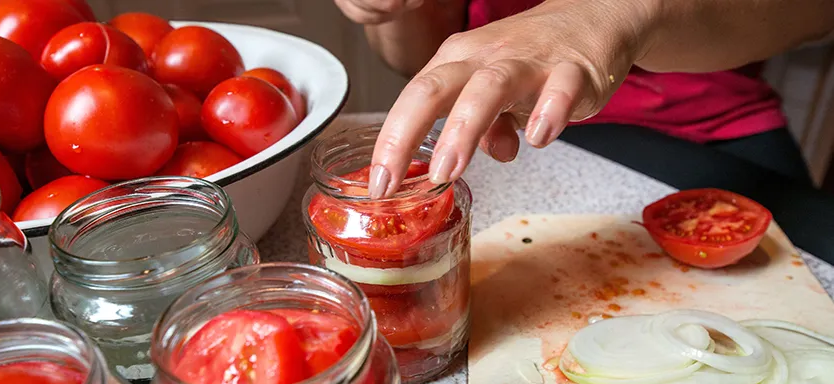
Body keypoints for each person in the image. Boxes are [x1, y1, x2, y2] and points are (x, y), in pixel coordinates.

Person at [333, 0, 834, 200]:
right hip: (503, 125)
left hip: (710, 127)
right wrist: (392, 11)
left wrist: (627, 9)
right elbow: (419, 56)